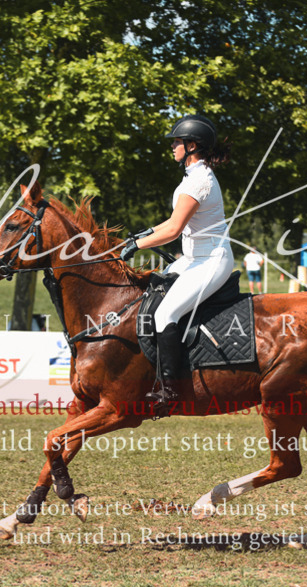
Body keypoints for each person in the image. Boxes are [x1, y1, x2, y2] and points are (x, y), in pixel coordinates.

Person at [119, 114, 232, 411]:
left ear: (192, 145)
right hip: (194, 259)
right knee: (150, 294)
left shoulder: (200, 181)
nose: (173, 147)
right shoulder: (193, 176)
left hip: (211, 262)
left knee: (165, 315)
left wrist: (136, 247)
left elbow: (174, 230)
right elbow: (169, 221)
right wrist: (139, 236)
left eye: (177, 142)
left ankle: (172, 390)